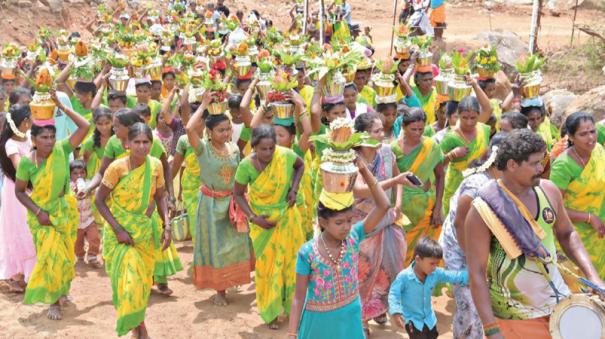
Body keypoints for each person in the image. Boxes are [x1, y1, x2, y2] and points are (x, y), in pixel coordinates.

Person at [465, 129, 605, 339]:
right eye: (534, 163)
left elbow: (567, 234)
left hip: (560, 304)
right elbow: (476, 272)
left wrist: (594, 279)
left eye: (542, 161)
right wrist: (491, 328)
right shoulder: (482, 210)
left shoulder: (548, 191)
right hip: (515, 316)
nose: (541, 168)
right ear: (512, 165)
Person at [287, 157, 391, 338]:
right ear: (323, 222)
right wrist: (291, 333)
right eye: (339, 222)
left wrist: (364, 170)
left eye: (349, 220)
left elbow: (384, 205)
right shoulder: (307, 253)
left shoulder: (353, 237)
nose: (346, 227)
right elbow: (298, 297)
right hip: (319, 324)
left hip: (349, 317)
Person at [14, 92, 90, 320]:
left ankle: (62, 289)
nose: (48, 141)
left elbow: (85, 126)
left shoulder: (62, 149)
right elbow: (19, 191)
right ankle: (54, 301)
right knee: (50, 255)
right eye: (44, 137)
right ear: (34, 140)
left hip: (63, 212)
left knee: (65, 255)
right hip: (41, 216)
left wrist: (62, 107)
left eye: (51, 136)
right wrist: (39, 213)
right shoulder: (27, 163)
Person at [95, 123, 171, 339]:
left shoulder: (155, 165)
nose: (141, 146)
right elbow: (99, 201)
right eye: (136, 142)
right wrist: (118, 229)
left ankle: (138, 323)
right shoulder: (117, 168)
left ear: (151, 143)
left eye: (146, 142)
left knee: (141, 283)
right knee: (128, 282)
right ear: (127, 144)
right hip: (120, 236)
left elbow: (159, 197)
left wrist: (167, 225)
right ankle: (140, 327)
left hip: (144, 234)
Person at [233, 124, 305, 329]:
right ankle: (270, 312)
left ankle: (293, 309)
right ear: (253, 147)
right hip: (262, 224)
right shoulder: (246, 165)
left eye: (271, 148)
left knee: (291, 266)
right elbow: (237, 193)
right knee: (266, 269)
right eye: (263, 149)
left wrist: (294, 188)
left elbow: (300, 166)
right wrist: (253, 218)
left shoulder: (285, 155)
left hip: (287, 218)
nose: (268, 153)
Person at [185, 91, 252, 306]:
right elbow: (188, 128)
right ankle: (220, 290)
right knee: (217, 246)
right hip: (211, 204)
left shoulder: (234, 149)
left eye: (228, 129)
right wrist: (204, 103)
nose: (226, 133)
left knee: (235, 243)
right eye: (221, 130)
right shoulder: (202, 149)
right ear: (209, 132)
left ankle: (234, 279)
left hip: (233, 202)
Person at [438, 133, 507, 339]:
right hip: (460, 251)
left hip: (479, 251)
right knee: (470, 306)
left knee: (478, 306)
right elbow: (460, 223)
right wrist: (473, 259)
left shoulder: (502, 181)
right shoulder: (477, 184)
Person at [352, 113, 410, 334]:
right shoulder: (354, 158)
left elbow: (398, 177)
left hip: (387, 219)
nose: (381, 135)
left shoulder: (386, 153)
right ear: (363, 135)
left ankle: (379, 308)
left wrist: (398, 203)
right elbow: (359, 189)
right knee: (363, 273)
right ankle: (362, 319)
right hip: (363, 224)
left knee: (389, 267)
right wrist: (394, 182)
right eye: (376, 131)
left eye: (381, 131)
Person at [550, 112, 605, 277]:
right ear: (571, 137)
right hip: (574, 236)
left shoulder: (599, 151)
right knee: (584, 286)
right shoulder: (563, 166)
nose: (590, 138)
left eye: (592, 131)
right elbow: (554, 208)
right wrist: (589, 217)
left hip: (600, 232)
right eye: (583, 134)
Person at [391, 108, 445, 264]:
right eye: (413, 129)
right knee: (401, 254)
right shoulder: (394, 149)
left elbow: (440, 176)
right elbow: (394, 181)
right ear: (403, 127)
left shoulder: (431, 146)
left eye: (421, 129)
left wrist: (437, 207)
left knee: (427, 254)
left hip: (426, 209)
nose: (417, 133)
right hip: (403, 211)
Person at [389, 237, 468, 339]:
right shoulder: (404, 277)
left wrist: (472, 276)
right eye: (432, 263)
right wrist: (396, 311)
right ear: (418, 259)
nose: (434, 267)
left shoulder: (435, 273)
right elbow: (393, 294)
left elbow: (452, 275)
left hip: (430, 320)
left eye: (437, 264)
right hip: (413, 322)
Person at [0, 104, 35, 293]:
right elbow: (19, 165)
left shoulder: (29, 137)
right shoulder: (10, 144)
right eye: (31, 117)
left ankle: (28, 274)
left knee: (29, 228)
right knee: (19, 229)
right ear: (24, 122)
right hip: (16, 191)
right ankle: (15, 275)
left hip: (28, 189)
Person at [440, 96, 491, 215]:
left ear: (479, 115)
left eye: (473, 118)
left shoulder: (483, 130)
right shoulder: (451, 137)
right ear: (458, 115)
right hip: (456, 187)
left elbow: (489, 108)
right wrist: (452, 155)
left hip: (480, 185)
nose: (469, 122)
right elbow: (436, 164)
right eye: (464, 117)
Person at [69, 160, 102, 269]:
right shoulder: (69, 186)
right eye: (75, 173)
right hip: (75, 221)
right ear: (70, 175)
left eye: (82, 173)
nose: (79, 175)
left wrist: (89, 190)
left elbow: (96, 190)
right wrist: (74, 192)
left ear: (86, 173)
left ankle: (92, 256)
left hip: (89, 218)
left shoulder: (89, 183)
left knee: (94, 237)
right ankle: (79, 256)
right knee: (77, 241)